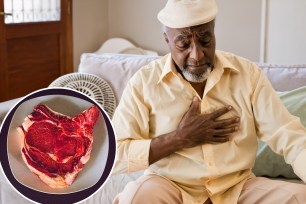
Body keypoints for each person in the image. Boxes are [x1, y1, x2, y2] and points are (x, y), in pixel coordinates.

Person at [112, 0, 306, 203]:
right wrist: (181, 138)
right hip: (170, 187)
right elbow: (114, 157)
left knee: (299, 197)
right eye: (184, 44)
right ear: (167, 41)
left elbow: (288, 135)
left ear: (214, 32)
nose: (197, 55)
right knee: (136, 196)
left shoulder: (247, 75)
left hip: (237, 188)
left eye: (205, 40)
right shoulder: (143, 83)